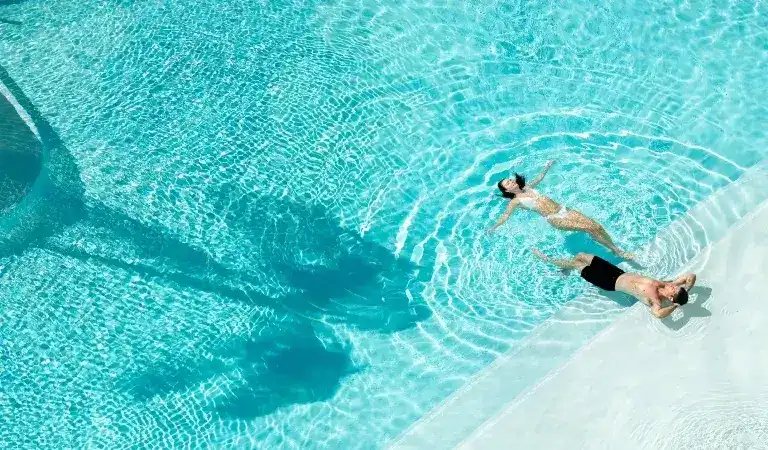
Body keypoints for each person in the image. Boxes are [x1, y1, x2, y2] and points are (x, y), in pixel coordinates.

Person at [488, 160, 634, 260]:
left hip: (565, 210)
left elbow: (539, 177)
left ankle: (614, 248)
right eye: (508, 183)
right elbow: (505, 215)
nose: (511, 181)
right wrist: (494, 227)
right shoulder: (515, 201)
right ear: (506, 190)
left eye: (510, 180)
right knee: (589, 228)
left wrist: (547, 166)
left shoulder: (528, 187)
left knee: (596, 226)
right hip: (555, 219)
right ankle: (618, 252)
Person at [531, 249, 696, 319]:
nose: (674, 286)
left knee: (577, 265)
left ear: (671, 297)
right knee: (582, 255)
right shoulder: (667, 284)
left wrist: (676, 306)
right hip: (616, 272)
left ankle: (554, 262)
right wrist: (686, 289)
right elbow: (690, 276)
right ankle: (567, 268)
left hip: (608, 282)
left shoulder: (655, 300)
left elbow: (658, 314)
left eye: (675, 289)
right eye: (677, 286)